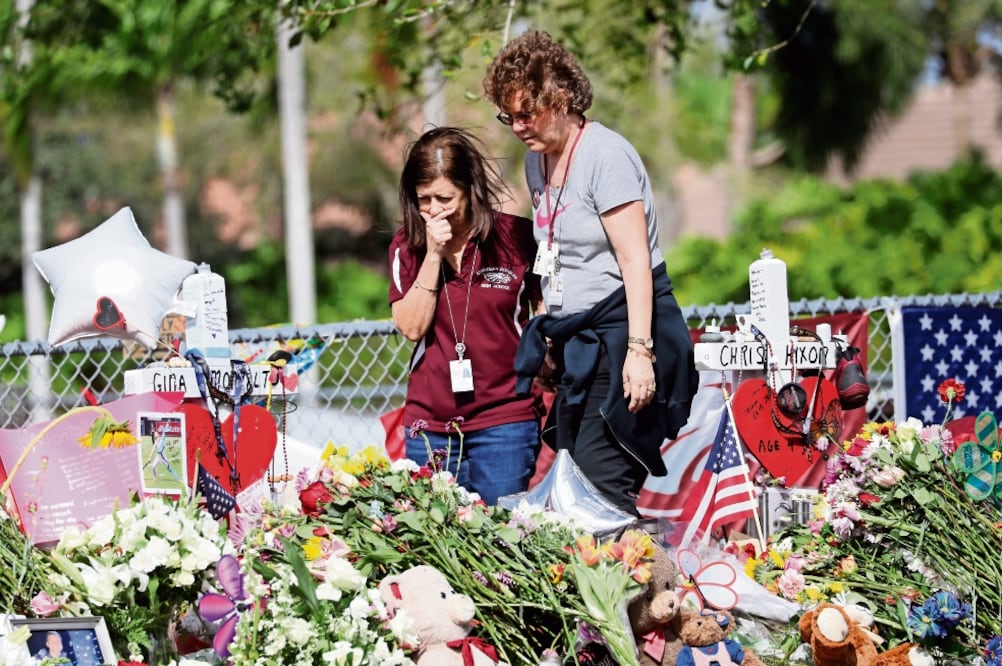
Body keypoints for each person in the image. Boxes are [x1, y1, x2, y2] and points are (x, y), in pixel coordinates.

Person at [483, 30, 698, 515]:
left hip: (625, 335)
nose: (517, 125)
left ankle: (647, 587)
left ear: (560, 98)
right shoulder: (536, 160)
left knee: (598, 497)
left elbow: (635, 261)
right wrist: (550, 334)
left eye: (526, 113)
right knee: (569, 488)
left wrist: (639, 353)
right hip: (579, 342)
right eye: (508, 115)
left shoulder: (606, 155)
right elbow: (553, 250)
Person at [388, 126, 544, 505]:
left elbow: (545, 308)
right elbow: (410, 327)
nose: (433, 209)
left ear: (470, 189)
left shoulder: (518, 237)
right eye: (423, 199)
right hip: (431, 426)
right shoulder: (407, 247)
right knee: (438, 543)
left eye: (445, 197)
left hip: (505, 418)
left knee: (503, 541)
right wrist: (433, 254)